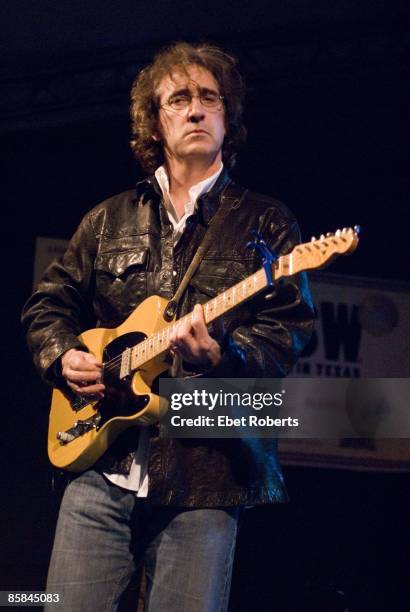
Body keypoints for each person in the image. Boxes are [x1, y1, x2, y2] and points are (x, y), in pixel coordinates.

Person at [22, 42, 315, 612]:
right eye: (179, 98)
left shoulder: (268, 222)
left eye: (211, 98)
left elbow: (287, 339)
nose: (197, 109)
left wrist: (222, 354)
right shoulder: (109, 218)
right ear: (156, 122)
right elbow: (47, 304)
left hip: (206, 478)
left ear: (228, 119)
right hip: (98, 469)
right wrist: (62, 356)